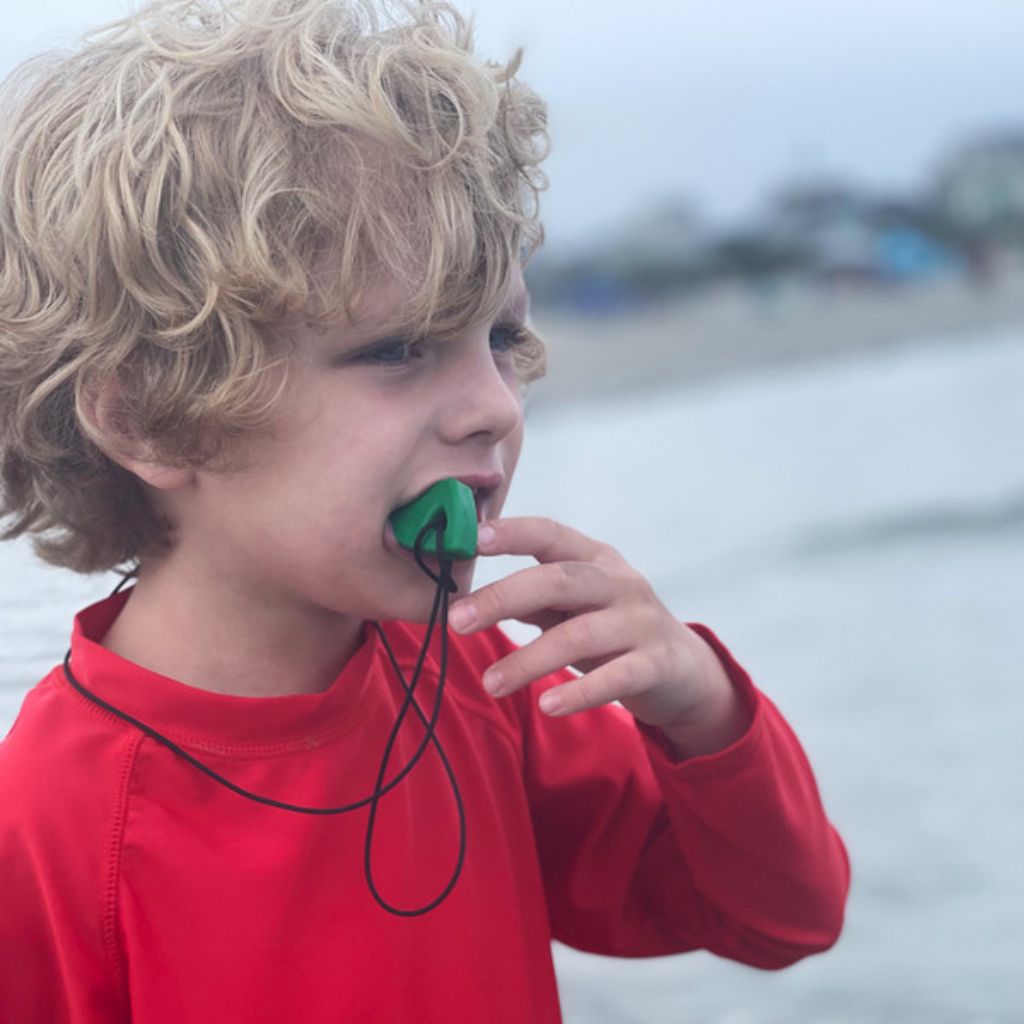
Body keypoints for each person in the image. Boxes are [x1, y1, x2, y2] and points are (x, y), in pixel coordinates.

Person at [0, 0, 849, 1021]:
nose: (496, 405)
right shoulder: (48, 829)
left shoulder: (476, 681)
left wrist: (702, 711)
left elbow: (779, 917)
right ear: (152, 417)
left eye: (502, 339)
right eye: (399, 349)